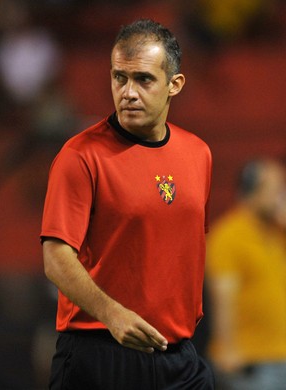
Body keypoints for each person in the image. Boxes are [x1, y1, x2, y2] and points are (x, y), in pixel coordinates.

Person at [40, 19, 214, 389]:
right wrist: (113, 315)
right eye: (120, 78)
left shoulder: (198, 154)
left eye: (144, 79)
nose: (128, 92)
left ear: (174, 85)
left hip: (177, 359)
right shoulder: (80, 156)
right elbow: (55, 258)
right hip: (99, 355)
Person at [206, 158, 286, 390]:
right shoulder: (228, 237)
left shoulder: (284, 232)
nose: (285, 196)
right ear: (250, 194)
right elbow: (223, 299)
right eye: (277, 188)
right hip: (251, 358)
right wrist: (228, 351)